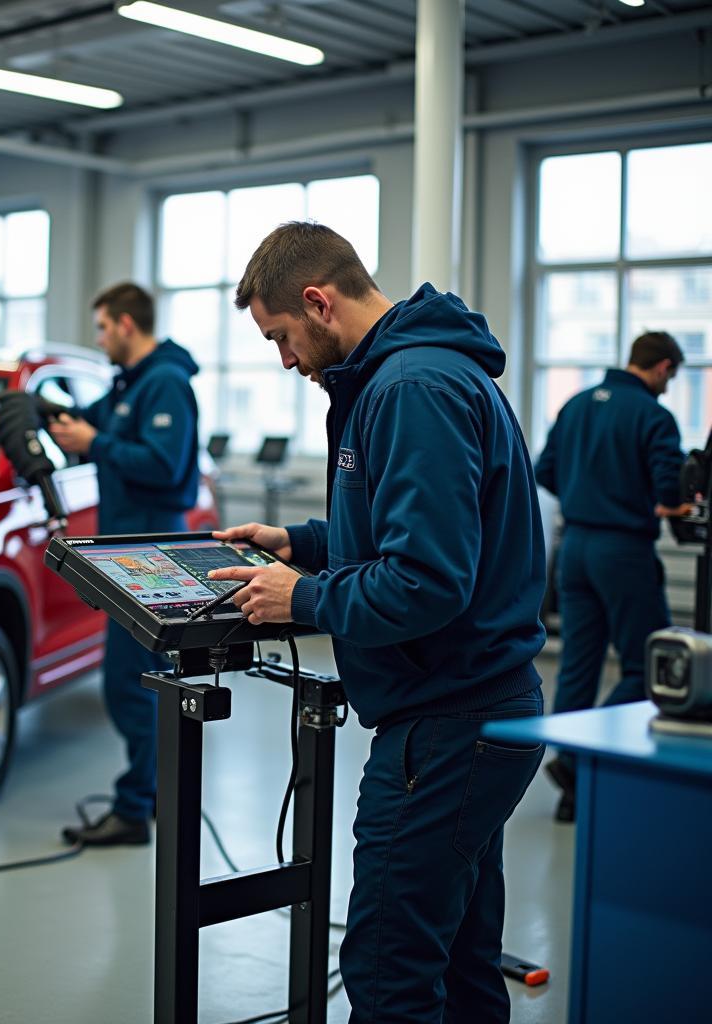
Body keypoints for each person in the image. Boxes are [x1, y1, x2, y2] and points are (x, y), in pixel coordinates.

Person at [206, 222, 547, 1024]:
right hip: (476, 714)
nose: (284, 360)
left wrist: (305, 598)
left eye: (281, 337)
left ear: (318, 303)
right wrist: (306, 545)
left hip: (447, 724)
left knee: (390, 968)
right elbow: (408, 533)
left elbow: (427, 581)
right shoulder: (412, 376)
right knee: (462, 961)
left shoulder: (410, 390)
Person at [48, 282, 200, 847]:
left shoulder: (165, 384)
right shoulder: (127, 386)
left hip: (152, 557)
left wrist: (95, 440)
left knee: (131, 684)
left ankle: (134, 809)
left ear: (127, 325)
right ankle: (154, 793)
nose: (100, 338)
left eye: (103, 327)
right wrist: (50, 415)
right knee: (138, 681)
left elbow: (164, 464)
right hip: (124, 555)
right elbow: (89, 425)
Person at [534, 331, 688, 822]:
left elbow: (546, 470)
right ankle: (578, 760)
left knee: (579, 667)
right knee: (649, 668)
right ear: (663, 368)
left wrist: (589, 494)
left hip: (573, 548)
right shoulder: (654, 416)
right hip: (623, 551)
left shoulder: (576, 405)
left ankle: (570, 783)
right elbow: (669, 493)